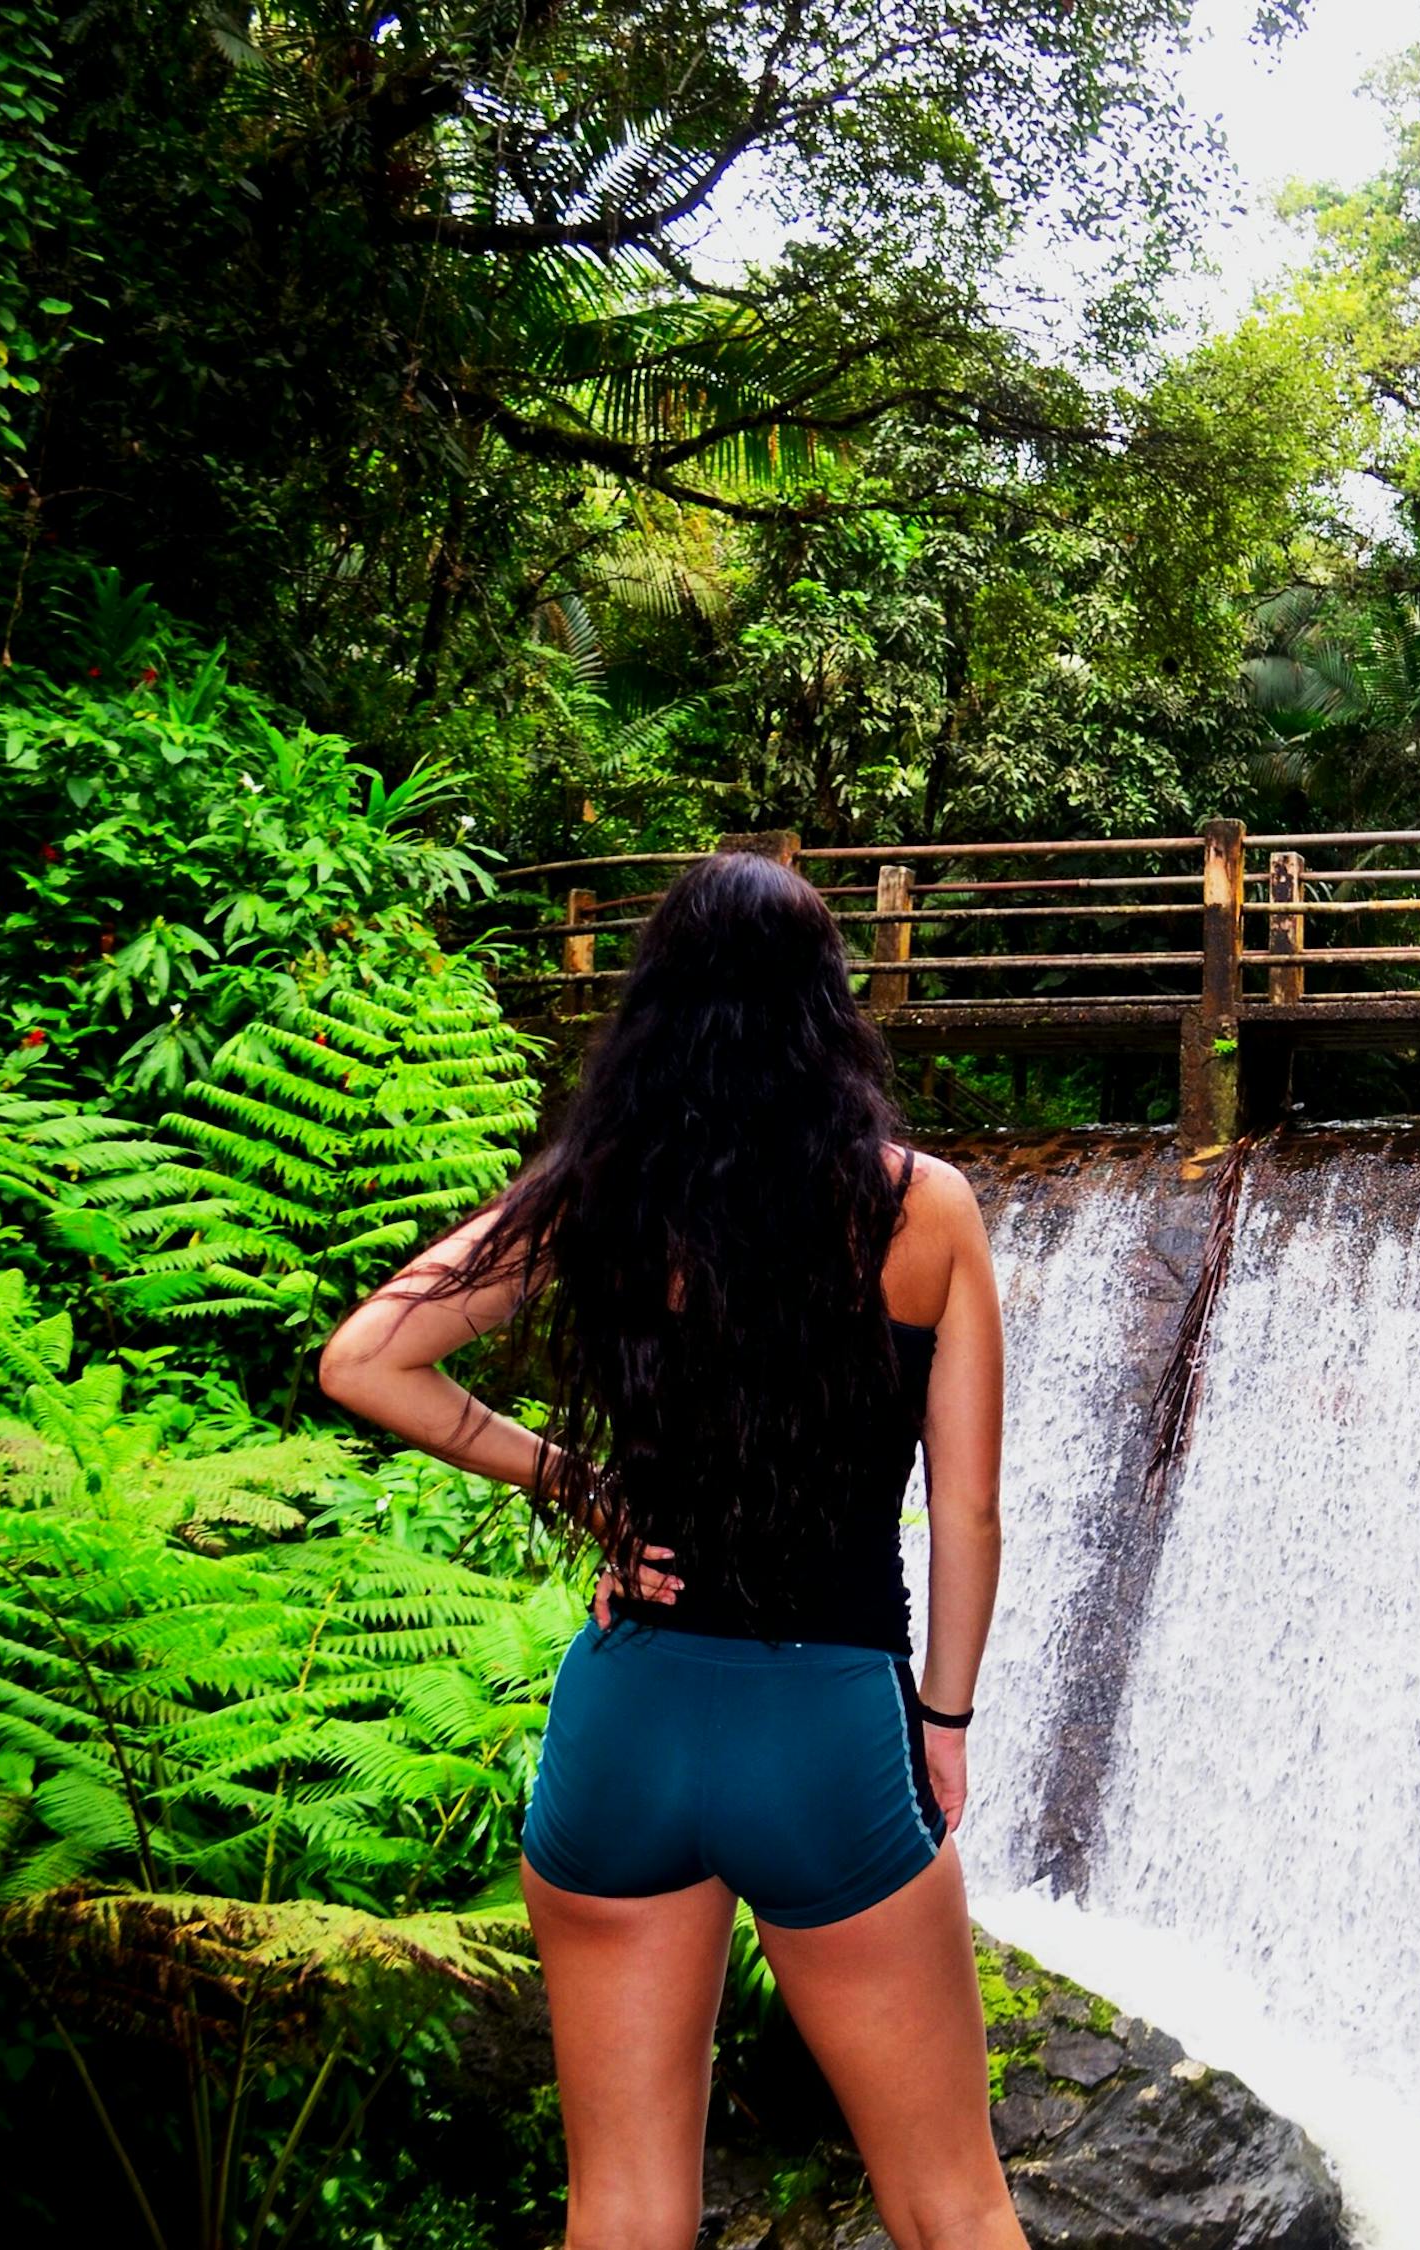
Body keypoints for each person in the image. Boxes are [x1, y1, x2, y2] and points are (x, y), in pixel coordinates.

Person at [320, 849, 1019, 2250]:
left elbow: (366, 1360)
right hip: (822, 1720)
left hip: (626, 1718)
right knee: (953, 2204)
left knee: (626, 2209)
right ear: (829, 1005)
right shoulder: (918, 1205)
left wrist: (575, 1482)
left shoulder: (607, 1194)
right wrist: (941, 1718)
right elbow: (969, 1514)